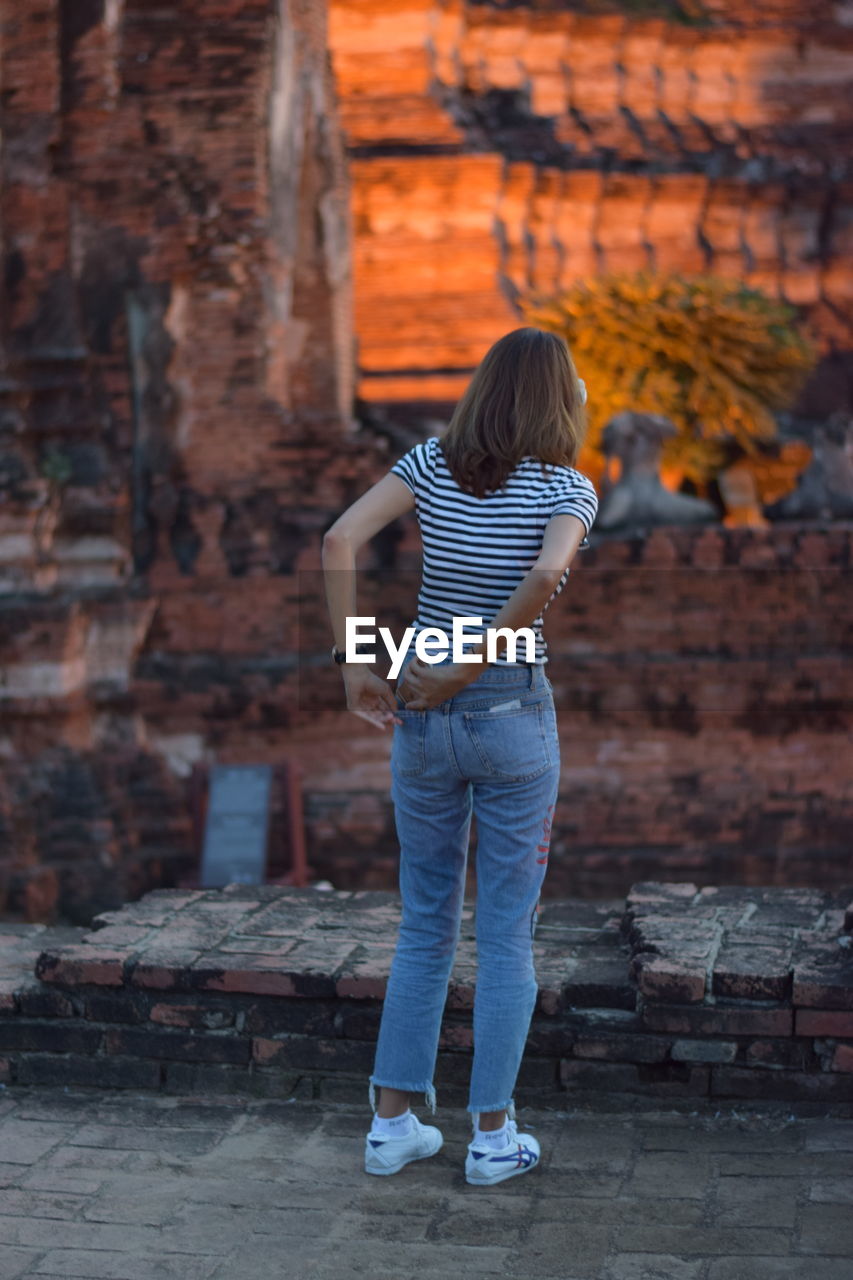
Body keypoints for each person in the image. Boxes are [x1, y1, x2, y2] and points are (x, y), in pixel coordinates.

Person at [322, 327, 599, 1185]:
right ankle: (490, 1138)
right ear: (557, 399)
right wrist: (474, 665)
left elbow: (337, 540)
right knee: (507, 929)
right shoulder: (568, 487)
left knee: (425, 921)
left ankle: (391, 1127)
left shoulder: (430, 463)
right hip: (510, 713)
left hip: (420, 722)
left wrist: (354, 663)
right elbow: (546, 574)